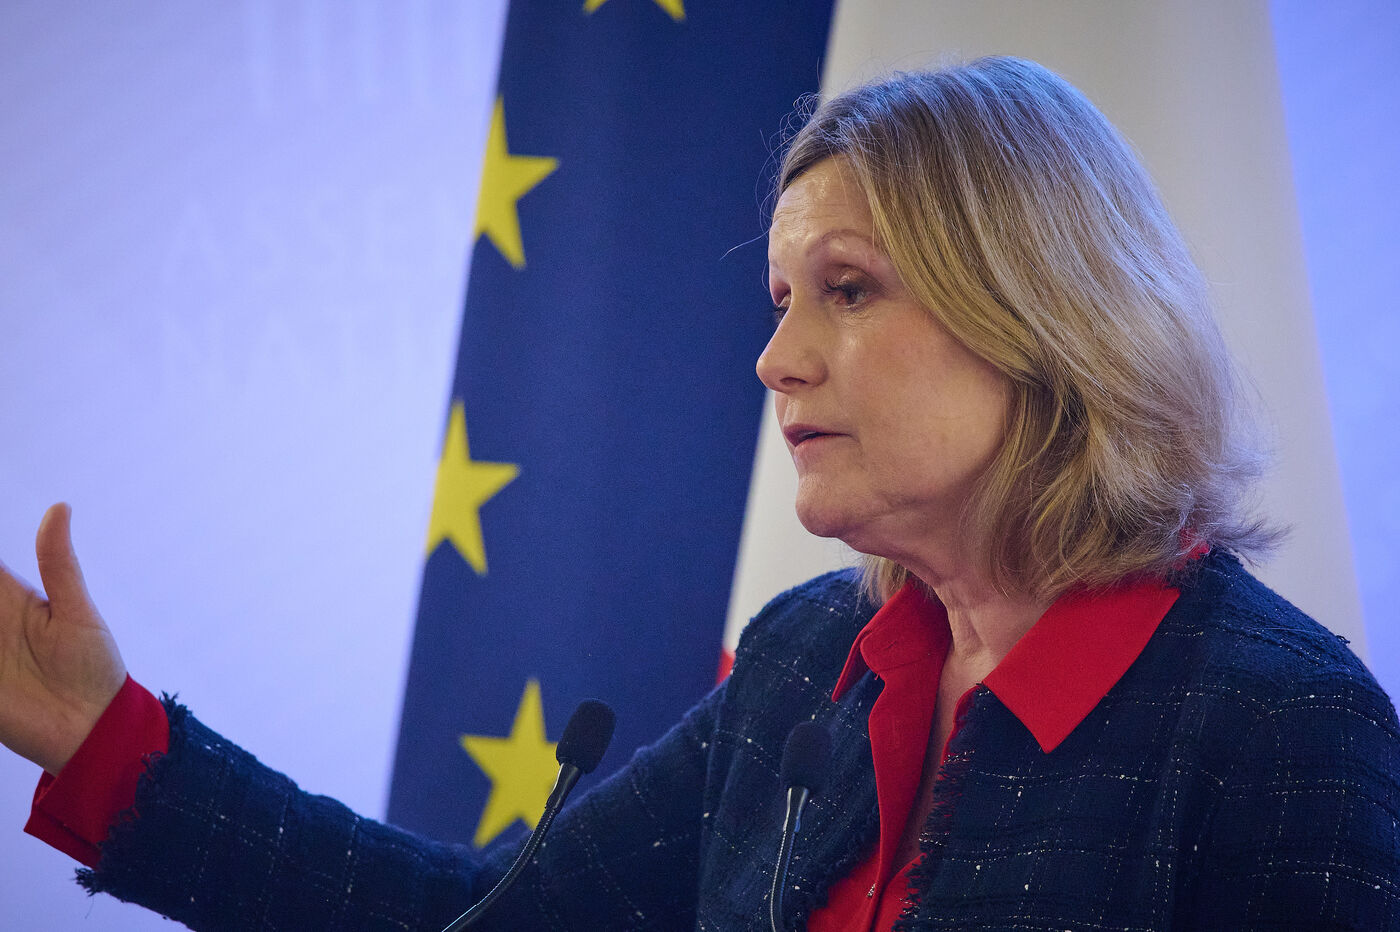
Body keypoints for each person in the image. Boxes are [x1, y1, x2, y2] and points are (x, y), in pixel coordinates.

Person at [2, 56, 1397, 931]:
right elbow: (484, 923)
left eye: (849, 291)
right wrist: (102, 739)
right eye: (784, 297)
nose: (777, 358)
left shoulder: (1284, 727)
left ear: (1041, 314)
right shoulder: (809, 663)